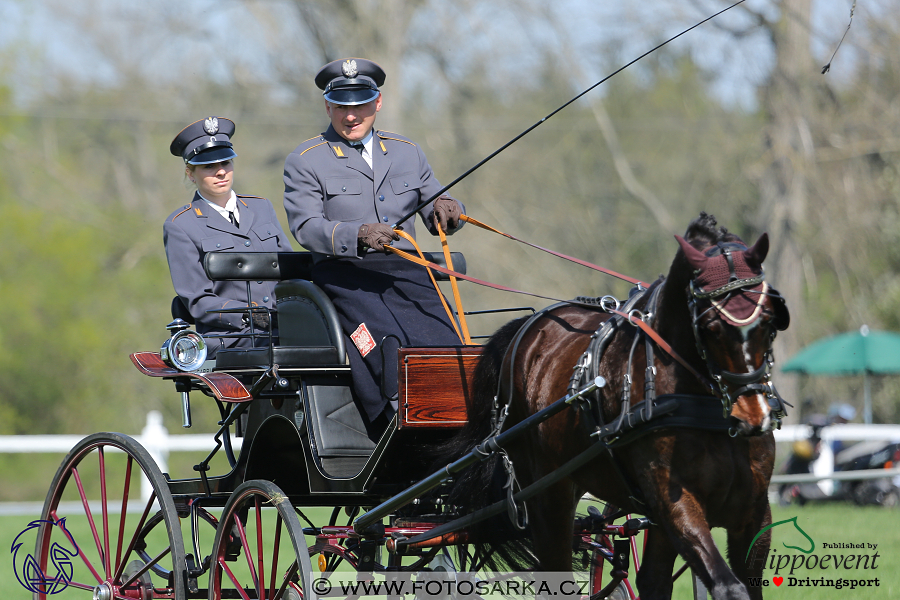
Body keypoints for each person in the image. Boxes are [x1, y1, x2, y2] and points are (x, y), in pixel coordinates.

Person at [283, 58, 465, 435]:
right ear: (328, 106)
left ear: (377, 103)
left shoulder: (407, 152)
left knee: (445, 342)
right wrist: (357, 234)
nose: (352, 116)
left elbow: (435, 200)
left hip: (406, 270)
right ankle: (397, 422)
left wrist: (449, 208)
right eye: (342, 107)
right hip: (344, 274)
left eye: (361, 105)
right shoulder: (305, 160)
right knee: (388, 343)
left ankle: (458, 423)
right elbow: (305, 226)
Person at [165, 116, 292, 357]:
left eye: (225, 162)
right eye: (208, 166)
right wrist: (246, 313)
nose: (221, 172)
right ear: (191, 174)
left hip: (285, 330)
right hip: (233, 339)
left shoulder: (261, 207)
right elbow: (197, 300)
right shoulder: (181, 225)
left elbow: (290, 271)